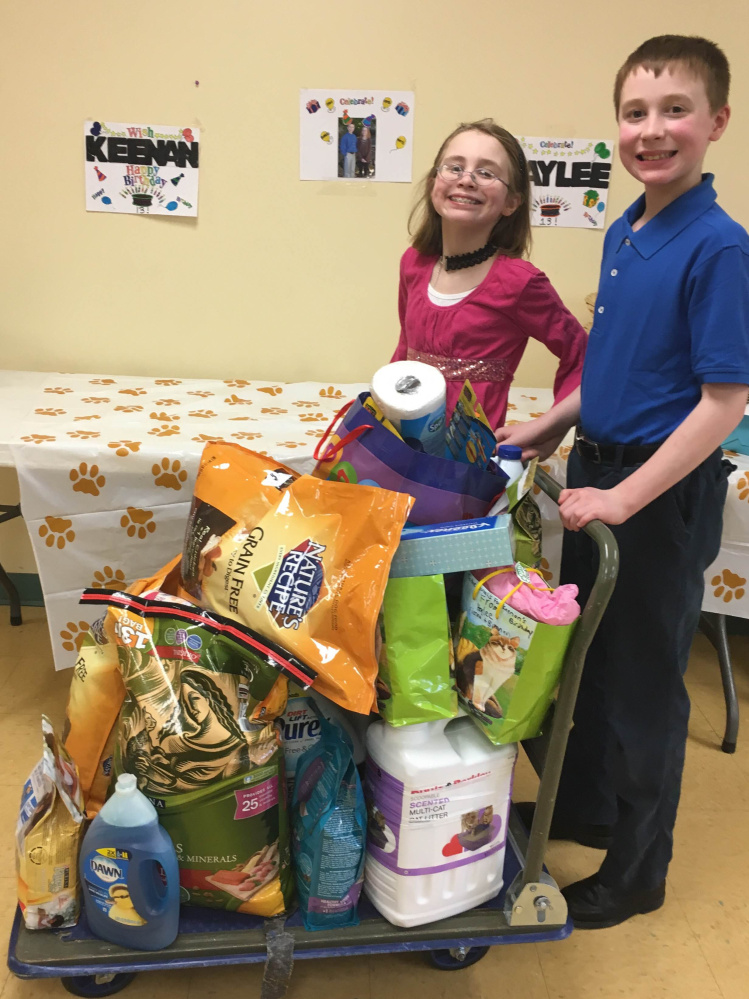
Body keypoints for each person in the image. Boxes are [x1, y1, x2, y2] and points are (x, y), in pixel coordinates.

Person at [497, 35, 749, 929]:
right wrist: (550, 422)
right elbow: (615, 361)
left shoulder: (719, 247)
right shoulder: (625, 228)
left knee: (643, 684)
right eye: (635, 113)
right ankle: (582, 810)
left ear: (716, 121)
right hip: (596, 473)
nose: (653, 129)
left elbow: (723, 402)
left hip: (654, 498)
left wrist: (625, 495)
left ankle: (639, 868)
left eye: (674, 109)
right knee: (588, 668)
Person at [391, 118, 587, 430]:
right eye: (454, 167)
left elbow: (582, 356)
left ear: (512, 202)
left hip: (466, 462)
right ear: (433, 183)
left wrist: (550, 427)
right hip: (401, 444)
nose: (466, 180)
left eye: (486, 173)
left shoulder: (521, 283)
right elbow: (404, 351)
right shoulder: (413, 263)